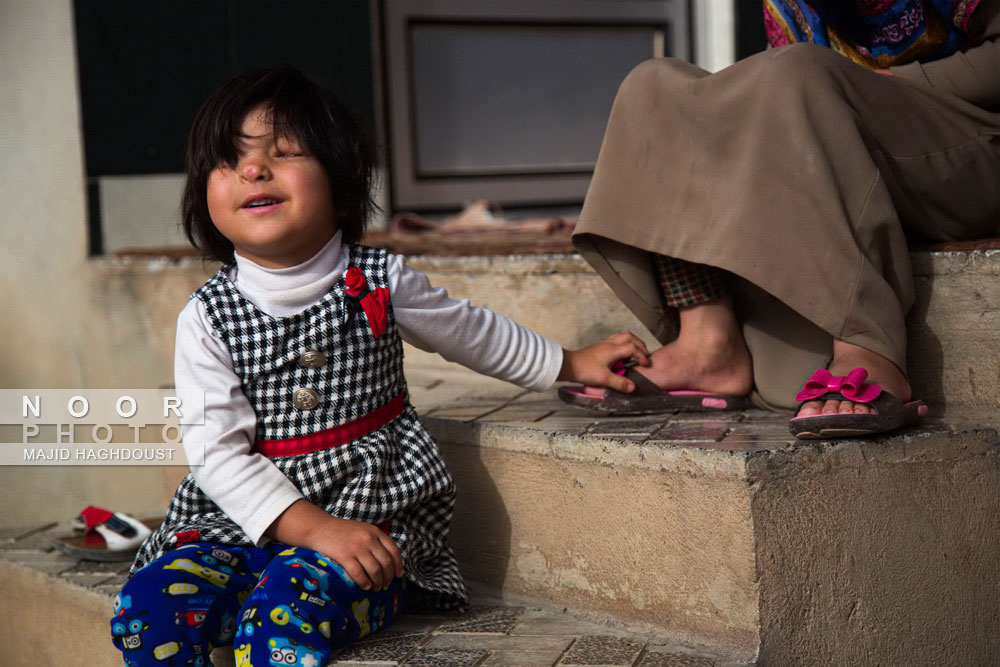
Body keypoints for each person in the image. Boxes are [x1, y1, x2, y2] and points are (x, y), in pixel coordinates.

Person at [109, 66, 649, 667]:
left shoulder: (378, 279)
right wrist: (303, 525)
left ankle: (330, 597)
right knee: (148, 609)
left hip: (362, 511)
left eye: (284, 152)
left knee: (280, 620)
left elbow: (471, 332)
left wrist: (571, 361)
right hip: (239, 520)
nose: (253, 170)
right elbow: (216, 455)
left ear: (341, 186)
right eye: (228, 160)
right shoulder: (207, 318)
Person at [560, 0, 1000, 438]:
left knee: (798, 70)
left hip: (970, 148)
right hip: (861, 153)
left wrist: (877, 84)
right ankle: (709, 340)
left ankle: (868, 343)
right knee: (653, 86)